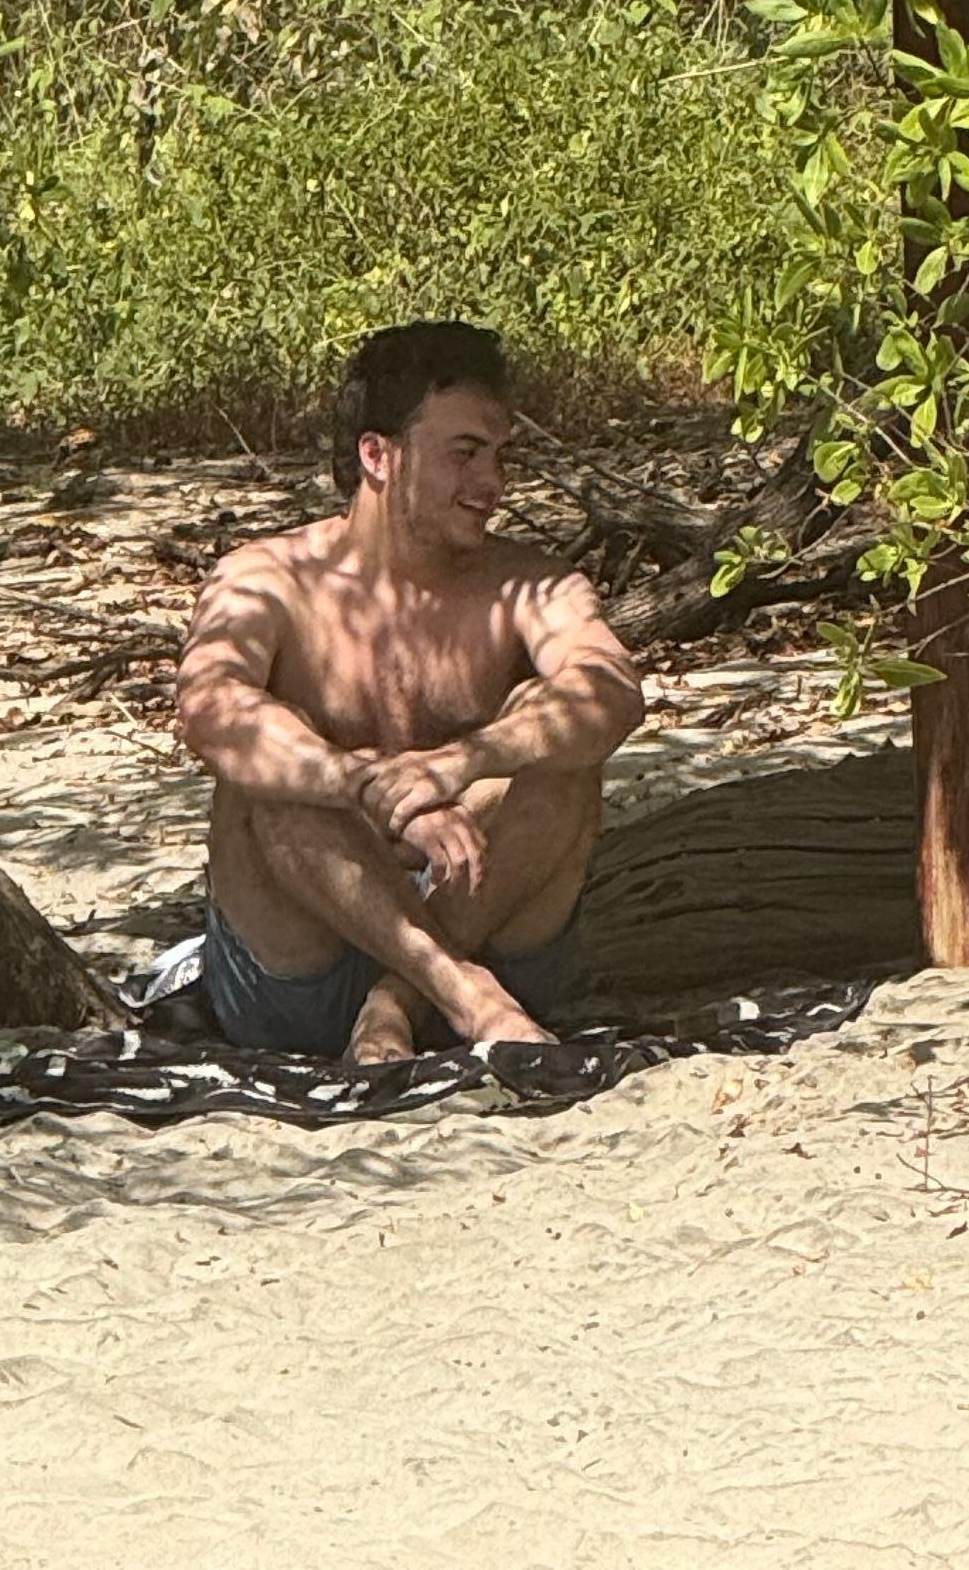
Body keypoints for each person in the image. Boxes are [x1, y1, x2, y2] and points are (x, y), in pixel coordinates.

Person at [174, 319, 644, 1062]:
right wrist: (367, 787)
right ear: (378, 455)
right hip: (302, 975)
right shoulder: (267, 578)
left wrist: (461, 763)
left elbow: (611, 689)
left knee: (557, 736)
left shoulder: (530, 584)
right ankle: (457, 992)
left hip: (490, 939)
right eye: (465, 454)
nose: (493, 485)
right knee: (271, 755)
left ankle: (406, 997)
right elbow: (209, 710)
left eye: (499, 456)